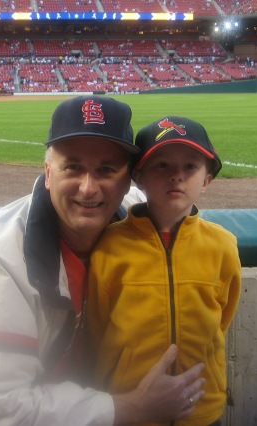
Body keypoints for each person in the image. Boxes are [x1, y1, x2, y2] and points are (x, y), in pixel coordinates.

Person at [0, 97, 206, 426]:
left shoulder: (130, 216)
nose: (89, 188)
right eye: (73, 167)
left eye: (106, 169)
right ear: (48, 174)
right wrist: (129, 409)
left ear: (128, 182)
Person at [87, 116, 242, 426]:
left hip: (201, 405)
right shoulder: (111, 245)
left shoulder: (223, 245)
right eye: (162, 166)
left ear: (207, 180)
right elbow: (96, 325)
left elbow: (223, 316)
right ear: (139, 178)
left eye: (190, 167)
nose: (176, 176)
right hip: (130, 405)